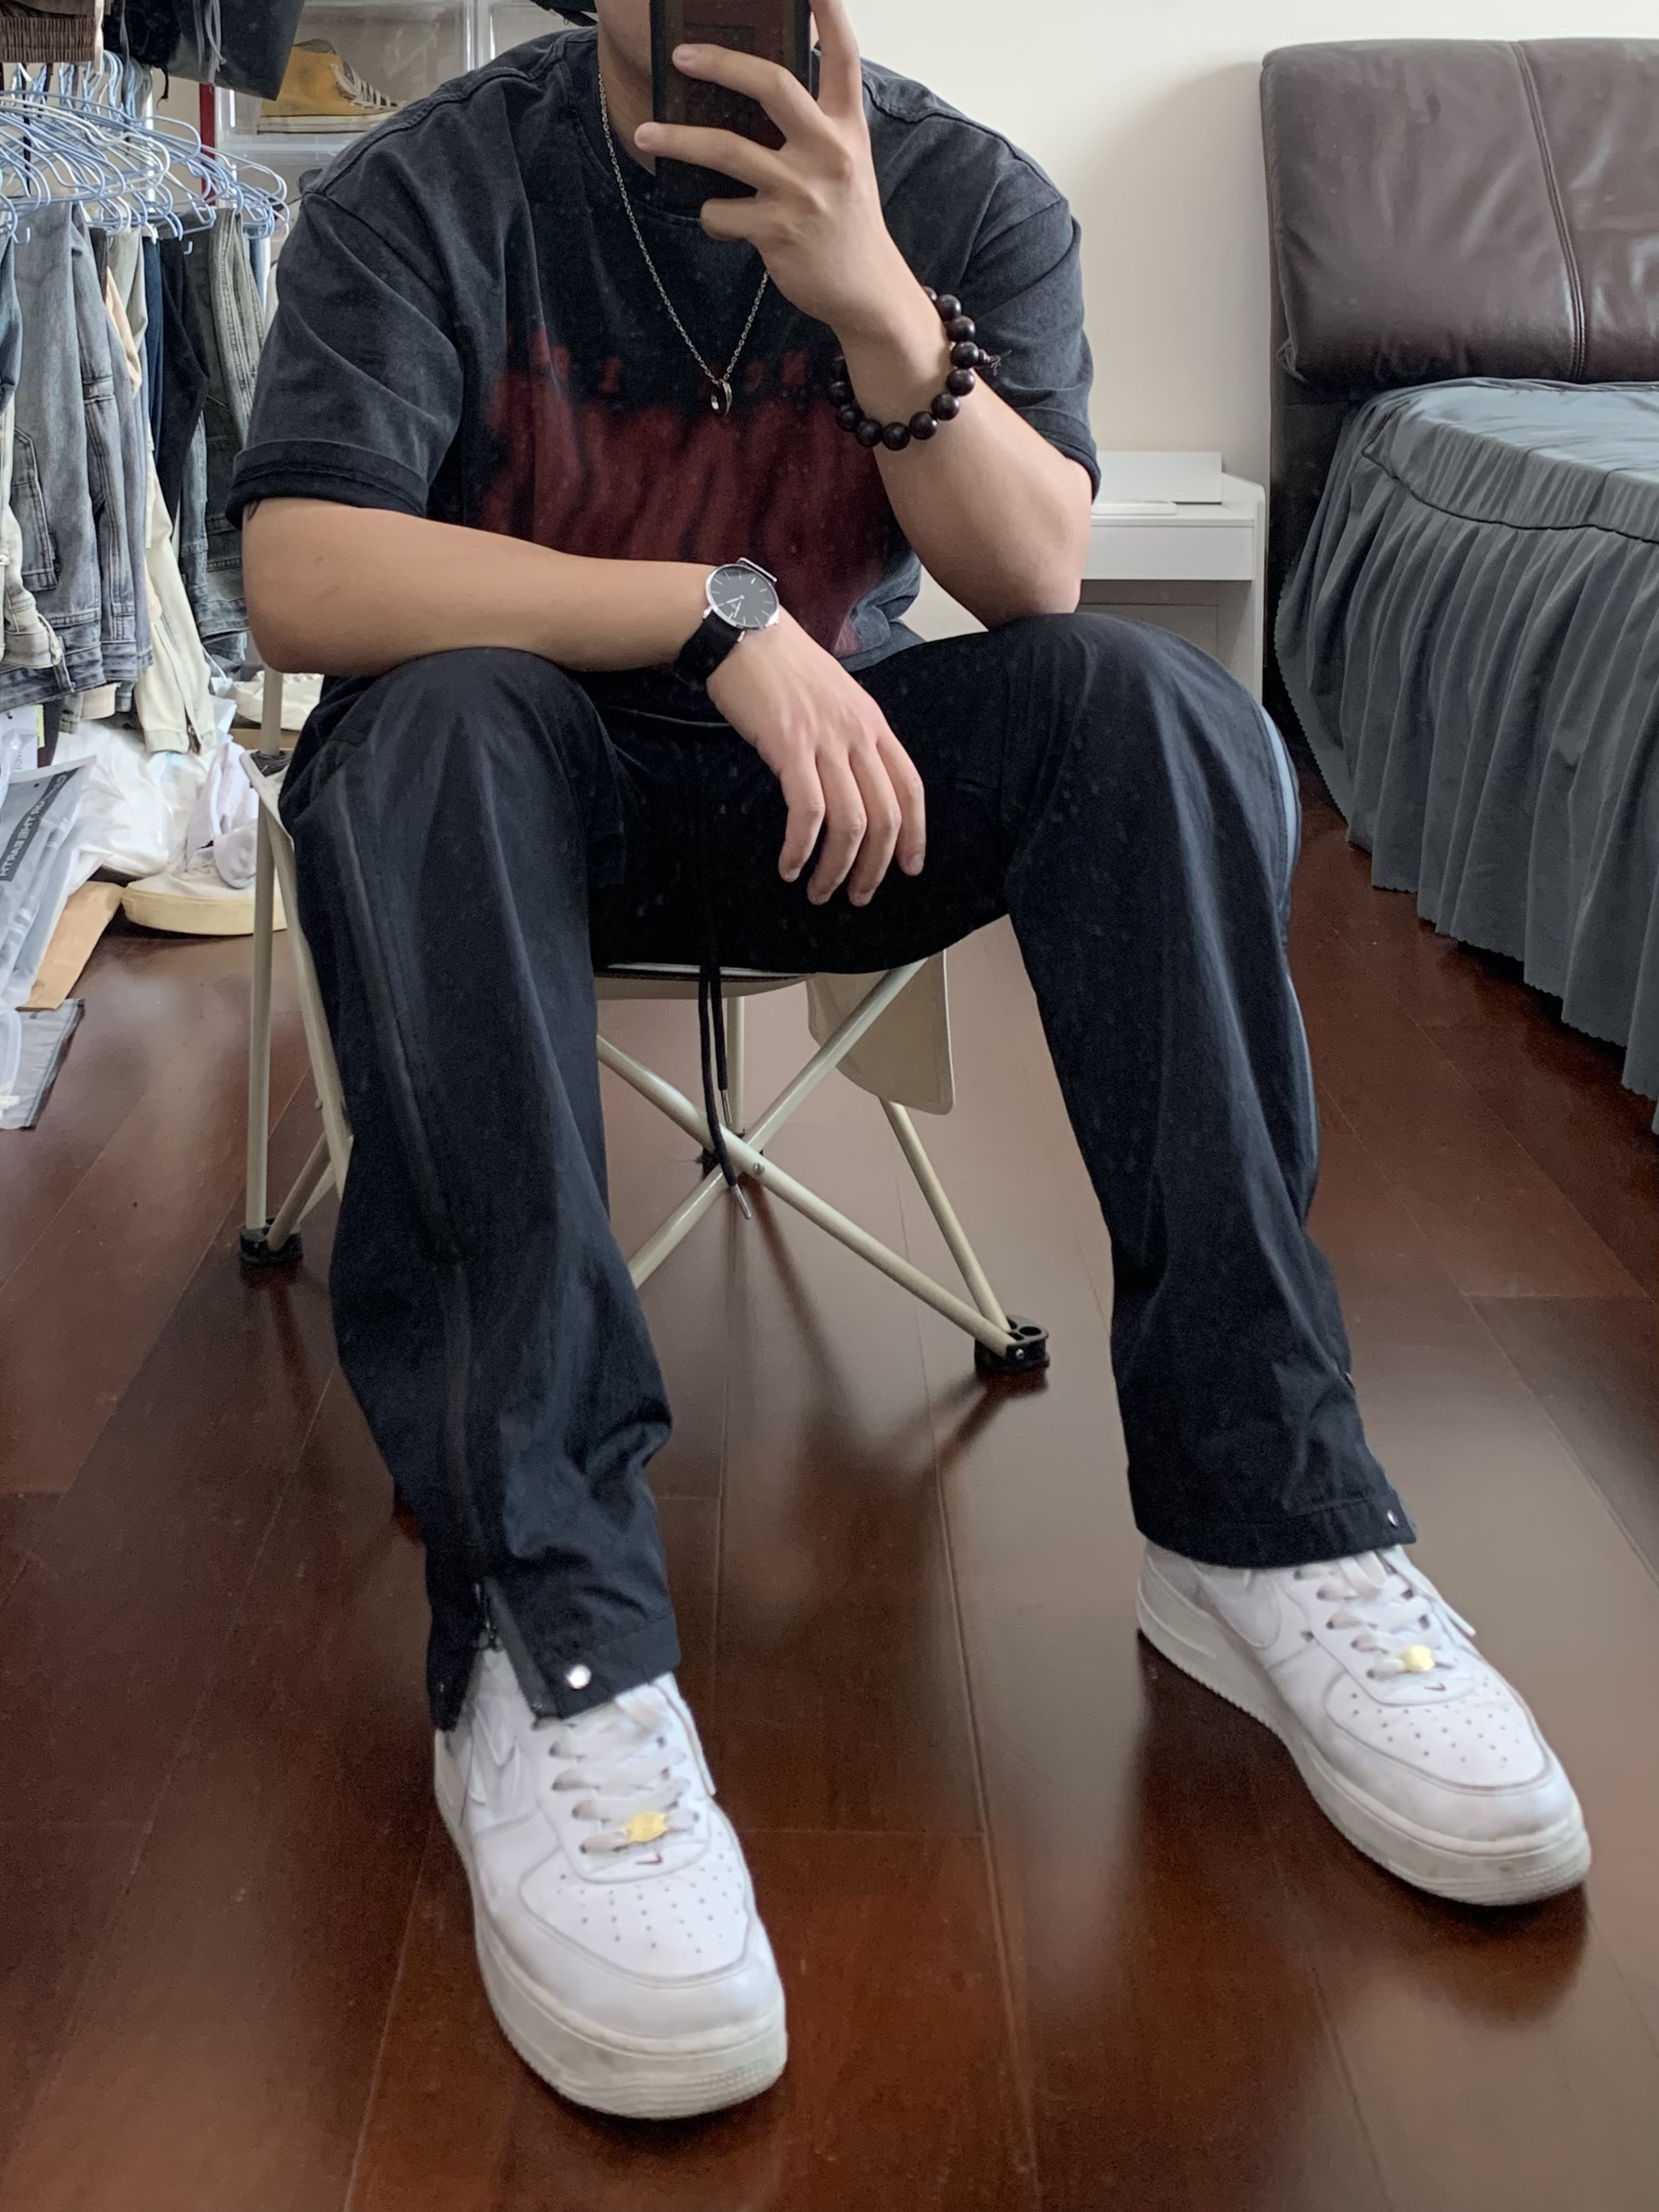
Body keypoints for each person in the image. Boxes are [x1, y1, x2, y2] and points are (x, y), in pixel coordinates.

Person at [233, 0, 1589, 2123]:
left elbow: (1031, 572)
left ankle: (1267, 1525)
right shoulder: (434, 187)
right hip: (513, 805)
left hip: (835, 806)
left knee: (1152, 711)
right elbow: (303, 572)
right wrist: (712, 613)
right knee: (426, 733)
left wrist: (876, 300)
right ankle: (550, 1632)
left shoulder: (961, 196)